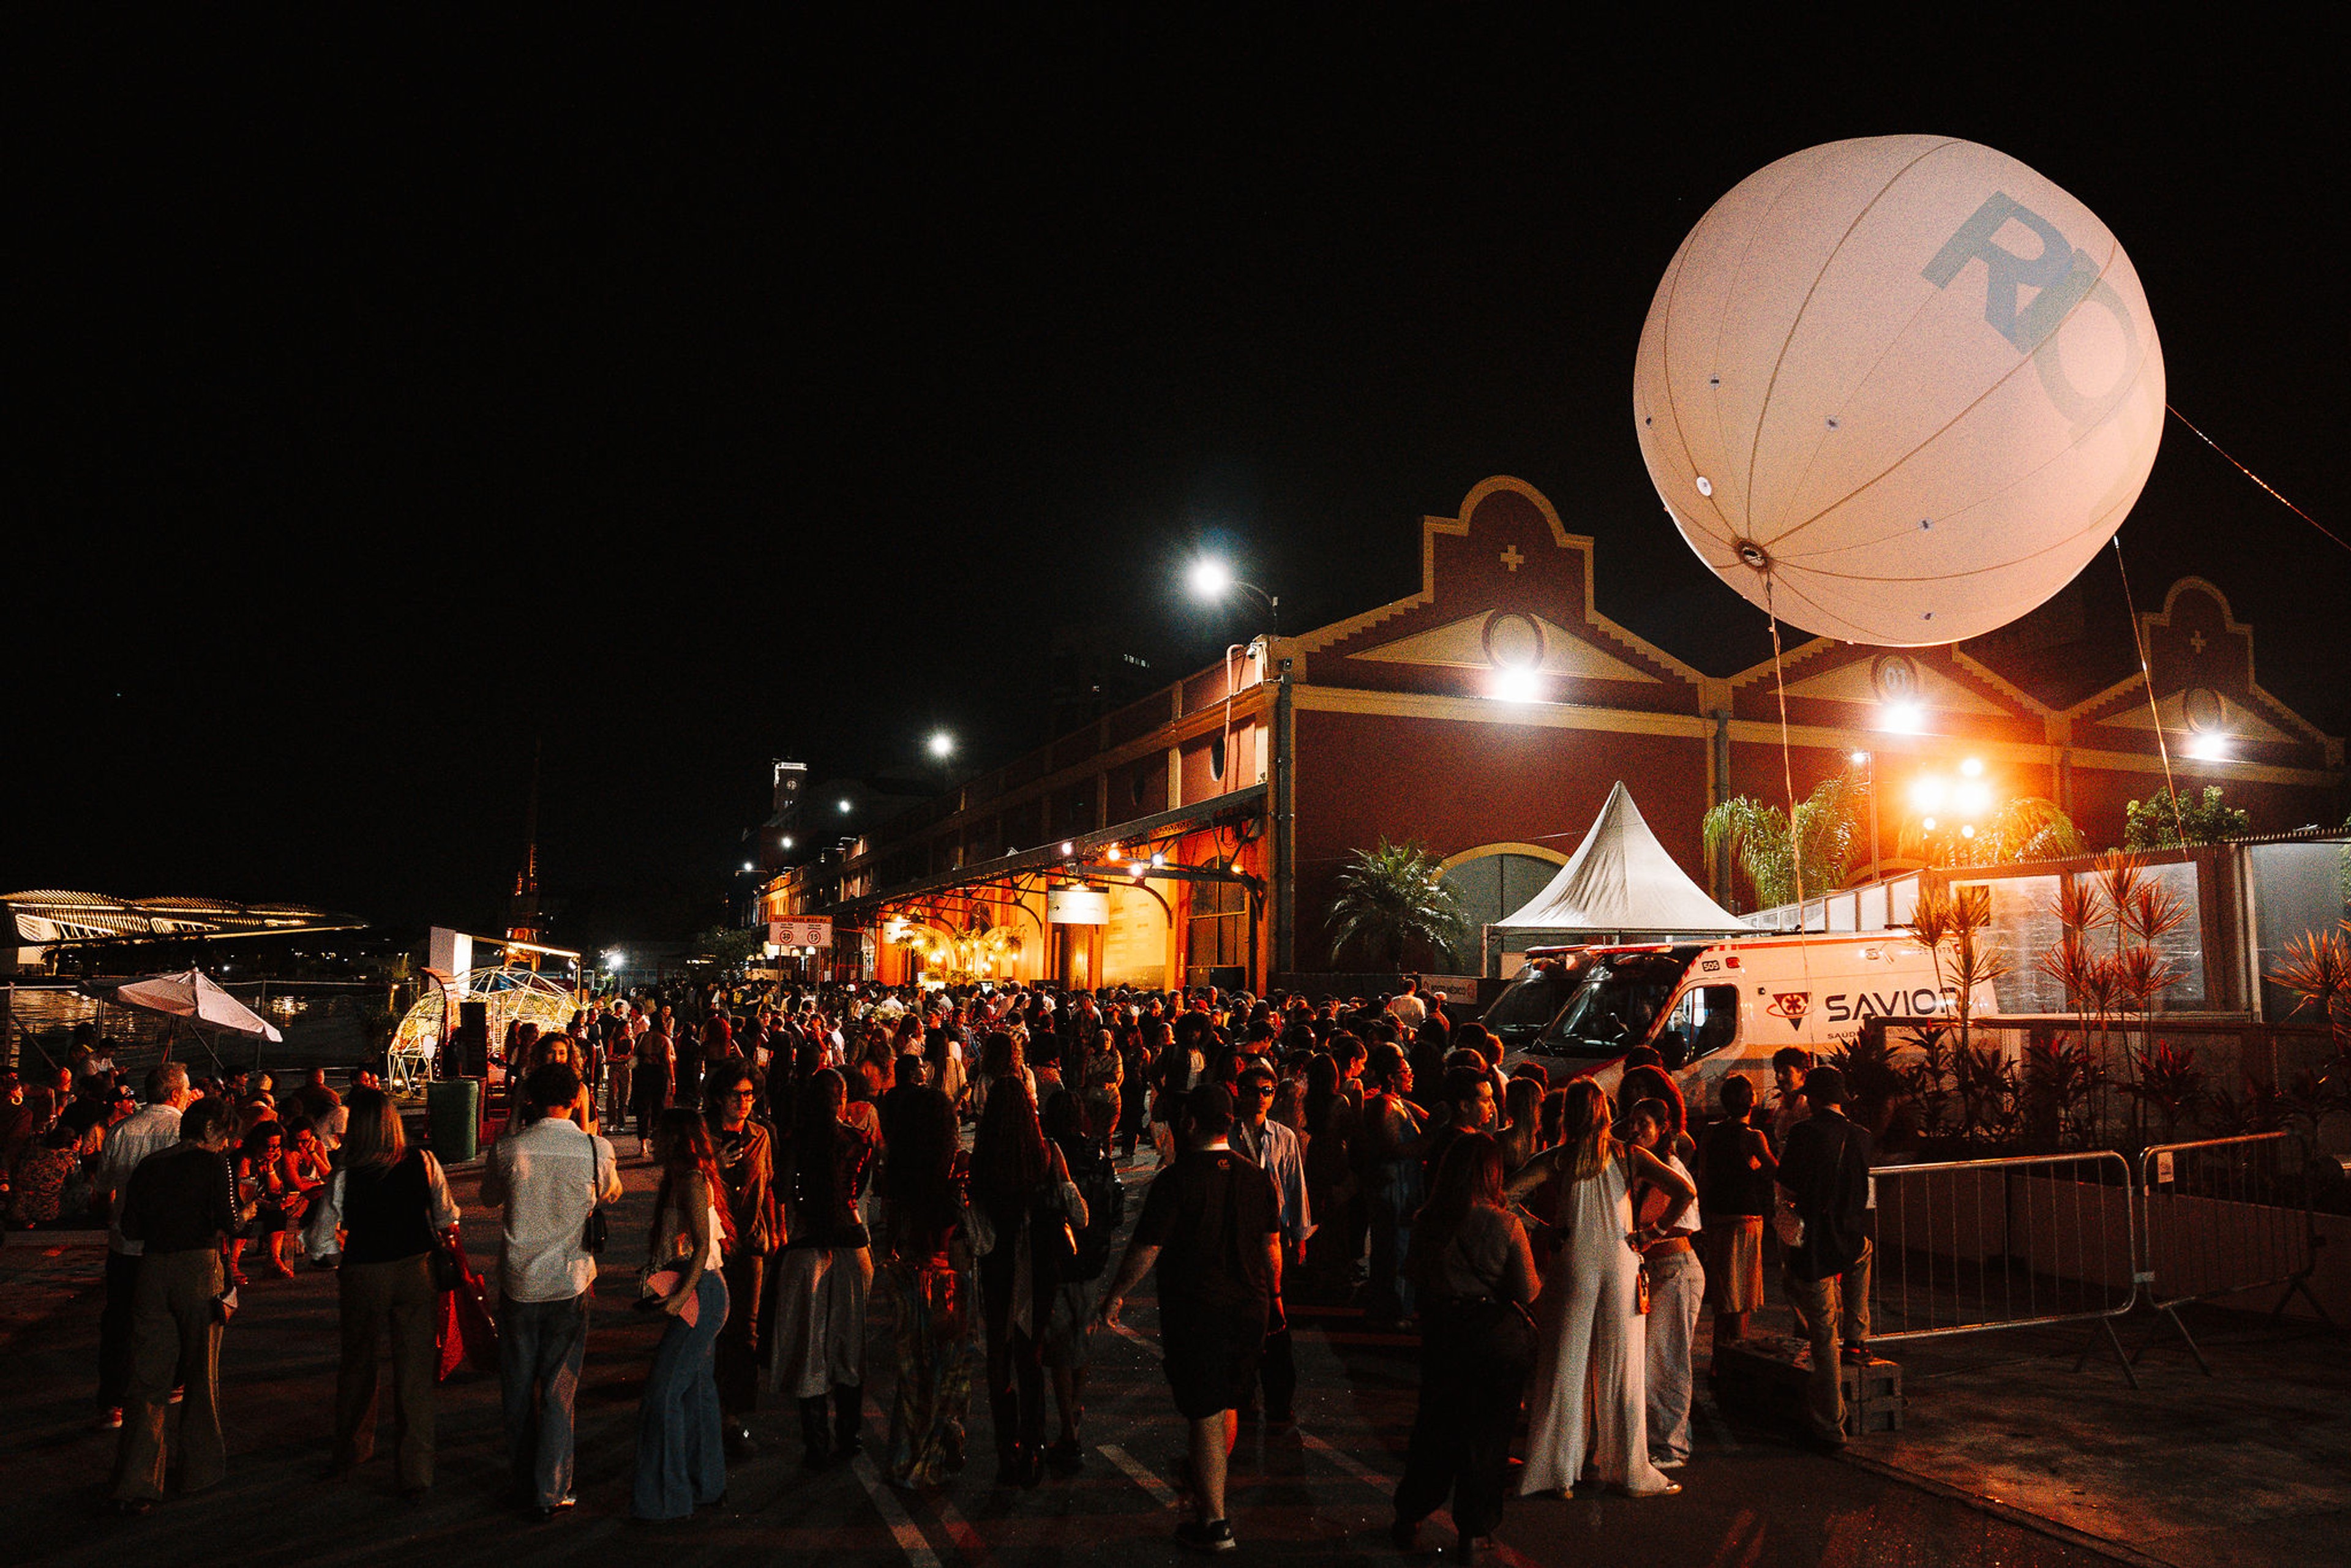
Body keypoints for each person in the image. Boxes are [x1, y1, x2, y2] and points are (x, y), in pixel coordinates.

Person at [1095, 1083, 1280, 1553]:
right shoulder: (1256, 1177)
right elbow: (1271, 1247)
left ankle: (1215, 1520)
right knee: (1229, 1400)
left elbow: (1146, 1249)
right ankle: (1207, 1486)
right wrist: (1275, 1298)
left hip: (1198, 1308)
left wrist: (1115, 1293)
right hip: (1250, 1306)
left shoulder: (1176, 1181)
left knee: (1203, 1409)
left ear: (1192, 1123)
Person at [1509, 1079, 1693, 1500]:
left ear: (1568, 1116)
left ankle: (1558, 1473)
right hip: (1621, 1259)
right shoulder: (1630, 1155)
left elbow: (1506, 1194)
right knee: (1623, 1366)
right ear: (1608, 1112)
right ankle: (1627, 1470)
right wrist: (1654, 1232)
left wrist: (1544, 1227)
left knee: (1565, 1363)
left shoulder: (1558, 1157)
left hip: (1573, 1259)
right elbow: (1685, 1190)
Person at [482, 1062, 622, 1520]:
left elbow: (488, 1197)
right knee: (560, 1388)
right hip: (570, 1279)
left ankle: (523, 1480)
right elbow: (611, 1194)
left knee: (518, 1387)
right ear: (577, 1096)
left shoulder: (510, 1149)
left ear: (530, 1099)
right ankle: (553, 1486)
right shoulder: (594, 1149)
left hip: (520, 1280)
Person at [1392, 1133, 1539, 1558]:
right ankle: (1473, 1532)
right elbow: (1527, 1291)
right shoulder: (1505, 1223)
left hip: (1445, 1333)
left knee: (1435, 1430)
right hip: (1494, 1338)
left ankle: (1411, 1514)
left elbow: (1414, 1273)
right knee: (1487, 1439)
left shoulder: (1428, 1221)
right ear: (1492, 1173)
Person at [313, 1087, 461, 1500]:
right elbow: (448, 1214)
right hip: (416, 1268)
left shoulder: (346, 1172)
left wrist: (331, 1257)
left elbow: (322, 1239)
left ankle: (351, 1449)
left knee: (358, 1363)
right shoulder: (422, 1160)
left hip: (364, 1270)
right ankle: (416, 1469)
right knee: (414, 1373)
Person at [107, 1096, 250, 1514]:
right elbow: (232, 1221)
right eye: (224, 1135)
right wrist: (252, 1207)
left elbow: (130, 1226)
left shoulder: (150, 1165)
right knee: (201, 1373)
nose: (226, 1144)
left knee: (146, 1378)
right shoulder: (215, 1165)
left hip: (152, 1267)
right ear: (210, 1130)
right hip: (199, 1269)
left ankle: (136, 1480)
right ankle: (198, 1470)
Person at [969, 1076, 1084, 1487]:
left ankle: (1007, 1452)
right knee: (1030, 1354)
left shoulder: (981, 1159)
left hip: (999, 1267)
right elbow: (1079, 1213)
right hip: (1039, 1267)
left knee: (998, 1356)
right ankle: (1033, 1445)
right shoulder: (1046, 1152)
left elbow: (977, 1230)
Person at [771, 1068, 875, 1469]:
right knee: (850, 1342)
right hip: (851, 1240)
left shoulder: (797, 1139)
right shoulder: (858, 1139)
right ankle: (851, 1436)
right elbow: (861, 1186)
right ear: (843, 1098)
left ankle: (816, 1441)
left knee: (809, 1345)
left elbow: (783, 1190)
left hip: (807, 1241)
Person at [633, 1107, 733, 1521]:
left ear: (676, 1139)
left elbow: (702, 1245)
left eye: (659, 1133)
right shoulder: (687, 1177)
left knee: (663, 1395)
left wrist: (680, 1297)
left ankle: (667, 1499)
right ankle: (704, 1482)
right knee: (696, 1391)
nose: (653, 1140)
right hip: (703, 1292)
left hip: (701, 1294)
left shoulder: (691, 1179)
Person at [880, 1085, 978, 1488]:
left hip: (907, 1280)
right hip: (944, 1285)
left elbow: (891, 1230)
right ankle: (935, 1453)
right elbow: (957, 1246)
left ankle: (909, 1459)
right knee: (948, 1377)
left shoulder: (899, 1172)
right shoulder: (949, 1181)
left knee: (914, 1379)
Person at [92, 1063, 196, 1429]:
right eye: (185, 1092)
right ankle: (171, 1383)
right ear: (175, 1094)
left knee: (119, 1322)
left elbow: (104, 1186)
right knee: (170, 1318)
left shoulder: (121, 1130)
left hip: (126, 1244)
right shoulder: (185, 1131)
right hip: (170, 1244)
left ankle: (113, 1402)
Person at [1774, 1065, 1873, 1447]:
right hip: (1850, 1237)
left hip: (1815, 1241)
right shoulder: (1862, 1136)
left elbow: (1789, 1182)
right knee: (1865, 1254)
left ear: (1811, 1099)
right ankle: (1859, 1335)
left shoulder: (1804, 1133)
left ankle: (1831, 1422)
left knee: (1822, 1332)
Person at [1229, 1060, 1310, 1427]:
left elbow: (1295, 1186)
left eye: (1267, 1091)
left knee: (1277, 1321)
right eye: (1253, 1091)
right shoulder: (1227, 1136)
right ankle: (1243, 1395)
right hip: (1238, 1237)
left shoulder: (1284, 1137)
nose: (1261, 1098)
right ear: (1239, 1094)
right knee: (1244, 1319)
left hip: (1276, 1237)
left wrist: (1300, 1235)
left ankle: (1280, 1401)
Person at [704, 1060, 779, 1456]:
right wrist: (712, 1164)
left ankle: (734, 1416)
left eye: (750, 1094)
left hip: (750, 1242)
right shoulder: (703, 1132)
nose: (744, 1101)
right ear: (720, 1097)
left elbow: (767, 1183)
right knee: (711, 1329)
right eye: (737, 1094)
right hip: (711, 1245)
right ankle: (709, 1408)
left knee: (746, 1330)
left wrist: (775, 1228)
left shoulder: (761, 1136)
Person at [1627, 1098, 1705, 1471]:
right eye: (1633, 1122)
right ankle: (1664, 1438)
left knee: (1667, 1360)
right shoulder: (1641, 1166)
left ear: (1662, 1128)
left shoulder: (1670, 1168)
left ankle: (1672, 1446)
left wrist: (1652, 1233)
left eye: (1644, 1123)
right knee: (1655, 1358)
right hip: (1657, 1272)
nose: (1636, 1129)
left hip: (1675, 1269)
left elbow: (1687, 1221)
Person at [1697, 1075, 1774, 1354]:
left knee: (1723, 1293)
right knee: (1743, 1294)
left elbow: (1704, 1176)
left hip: (1718, 1217)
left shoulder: (1710, 1132)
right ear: (1752, 1101)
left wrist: (1703, 1215)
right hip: (1745, 1219)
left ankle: (1721, 1357)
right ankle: (1738, 1354)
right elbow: (1773, 1170)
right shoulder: (1753, 1137)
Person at [1360, 1045, 1426, 1327]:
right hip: (1393, 1187)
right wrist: (1428, 1142)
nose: (1410, 1075)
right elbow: (1393, 1148)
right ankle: (1393, 1309)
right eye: (1404, 1071)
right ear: (1390, 1076)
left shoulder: (1400, 1103)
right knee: (1394, 1247)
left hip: (1404, 1184)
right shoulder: (1384, 1105)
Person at [632, 1021, 676, 1158]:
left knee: (643, 1109)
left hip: (643, 1073)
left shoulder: (642, 1037)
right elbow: (668, 1061)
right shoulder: (664, 1039)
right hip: (659, 1074)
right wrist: (673, 1081)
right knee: (659, 1108)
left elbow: (635, 1055)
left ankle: (643, 1144)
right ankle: (657, 1144)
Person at [1768, 1047, 1811, 1150]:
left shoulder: (1810, 1107)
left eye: (1786, 1072)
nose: (1779, 1078)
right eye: (1777, 1072)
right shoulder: (1780, 1110)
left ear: (1803, 1074)